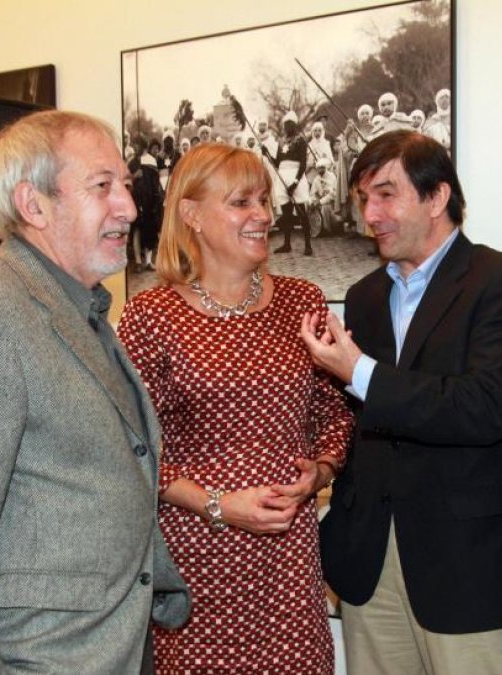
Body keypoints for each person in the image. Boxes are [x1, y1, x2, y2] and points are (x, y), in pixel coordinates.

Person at [0, 110, 190, 673]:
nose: (129, 205)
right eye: (103, 187)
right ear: (33, 205)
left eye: (124, 185)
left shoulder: (82, 307)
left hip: (108, 645)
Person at [301, 130, 502, 675]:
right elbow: (360, 422)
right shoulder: (364, 295)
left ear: (437, 198)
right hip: (369, 561)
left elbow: (485, 407)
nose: (371, 213)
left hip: (467, 564)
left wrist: (357, 371)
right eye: (364, 198)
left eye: (387, 194)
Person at [118, 143, 354, 673]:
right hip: (195, 561)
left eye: (265, 200)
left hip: (287, 560)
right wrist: (217, 503)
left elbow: (335, 415)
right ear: (191, 214)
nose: (264, 216)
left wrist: (320, 470)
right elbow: (128, 446)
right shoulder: (151, 314)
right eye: (242, 202)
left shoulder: (303, 301)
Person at [269, 111, 313, 256]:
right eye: (286, 124)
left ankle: (308, 245)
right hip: (282, 176)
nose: (288, 127)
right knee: (286, 213)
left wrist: (295, 183)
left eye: (291, 124)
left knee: (301, 211)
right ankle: (287, 244)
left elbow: (303, 164)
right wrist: (266, 154)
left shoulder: (301, 140)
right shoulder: (280, 141)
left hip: (296, 177)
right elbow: (277, 162)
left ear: (295, 125)